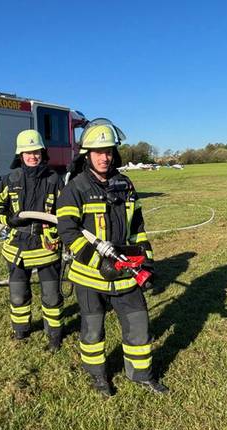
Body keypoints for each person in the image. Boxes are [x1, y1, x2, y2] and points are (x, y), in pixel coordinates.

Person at [56, 119, 169, 396]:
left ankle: (141, 374)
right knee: (93, 330)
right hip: (90, 276)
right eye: (98, 152)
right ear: (87, 155)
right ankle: (98, 376)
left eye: (108, 151)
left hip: (125, 272)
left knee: (138, 323)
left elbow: (137, 228)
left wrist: (147, 260)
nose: (104, 157)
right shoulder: (76, 188)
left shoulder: (125, 184)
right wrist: (99, 263)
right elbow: (68, 232)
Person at [0, 130, 64, 351]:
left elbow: (66, 211)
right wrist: (7, 218)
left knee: (51, 296)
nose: (32, 156)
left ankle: (54, 335)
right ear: (20, 155)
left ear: (42, 153)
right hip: (16, 248)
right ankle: (21, 330)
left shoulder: (54, 179)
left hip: (46, 247)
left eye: (36, 152)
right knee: (18, 295)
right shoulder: (11, 179)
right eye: (27, 152)